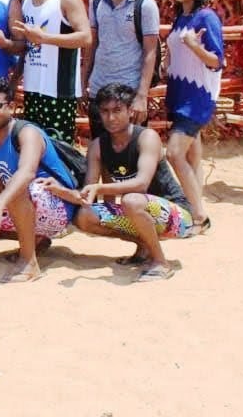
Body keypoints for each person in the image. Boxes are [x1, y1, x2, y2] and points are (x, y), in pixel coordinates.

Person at [66, 84, 195, 282]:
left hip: (177, 217)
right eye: (105, 111)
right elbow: (88, 194)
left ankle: (161, 263)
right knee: (84, 216)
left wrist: (99, 188)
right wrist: (59, 191)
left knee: (132, 200)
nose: (111, 118)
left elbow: (141, 183)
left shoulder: (147, 137)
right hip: (137, 212)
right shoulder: (98, 146)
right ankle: (144, 246)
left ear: (130, 111)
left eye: (117, 110)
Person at [0, 76, 79, 282]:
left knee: (16, 189)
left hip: (57, 205)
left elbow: (27, 173)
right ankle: (35, 240)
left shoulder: (26, 132)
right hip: (23, 205)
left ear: (11, 107)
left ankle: (29, 262)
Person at [12, 0, 92, 142]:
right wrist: (16, 78)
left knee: (59, 150)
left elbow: (85, 37)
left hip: (59, 90)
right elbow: (28, 43)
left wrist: (45, 38)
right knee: (32, 147)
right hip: (32, 87)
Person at [163, 0, 223, 234]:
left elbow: (216, 61)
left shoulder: (206, 17)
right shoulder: (181, 18)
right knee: (192, 156)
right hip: (179, 93)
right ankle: (194, 209)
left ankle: (200, 217)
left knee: (174, 153)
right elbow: (176, 50)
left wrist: (194, 46)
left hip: (197, 97)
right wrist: (167, 62)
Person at [81, 0, 161, 138]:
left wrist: (142, 96)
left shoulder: (145, 4)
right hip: (99, 89)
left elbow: (150, 51)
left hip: (129, 92)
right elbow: (92, 44)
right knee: (99, 147)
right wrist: (83, 82)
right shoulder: (96, 1)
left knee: (130, 151)